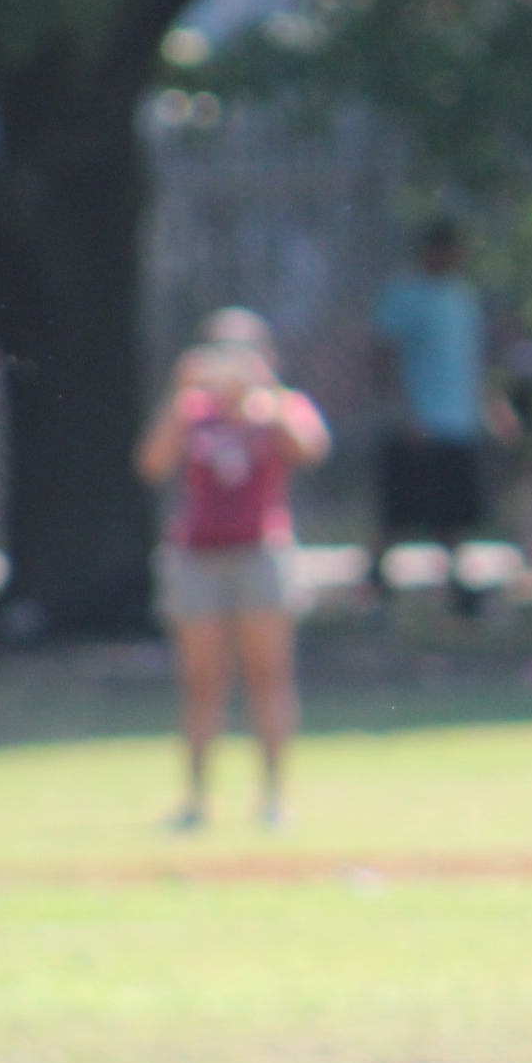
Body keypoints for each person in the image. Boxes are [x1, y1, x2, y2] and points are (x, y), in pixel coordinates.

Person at [134, 340, 330, 829]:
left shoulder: (278, 407)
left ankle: (274, 798)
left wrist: (266, 393)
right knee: (201, 682)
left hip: (261, 551)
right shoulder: (191, 412)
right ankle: (196, 801)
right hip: (198, 555)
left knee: (268, 676)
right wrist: (179, 392)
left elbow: (311, 449)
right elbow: (152, 463)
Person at [370, 218, 517, 617]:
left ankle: (456, 586)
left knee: (452, 512)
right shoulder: (404, 295)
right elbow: (385, 358)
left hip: (458, 421)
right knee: (398, 513)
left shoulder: (463, 298)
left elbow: (475, 359)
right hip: (418, 424)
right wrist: (402, 412)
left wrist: (493, 404)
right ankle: (376, 585)